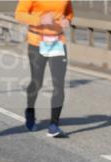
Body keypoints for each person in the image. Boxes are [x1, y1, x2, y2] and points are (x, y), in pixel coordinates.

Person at [15, 1, 74, 138]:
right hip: (37, 41)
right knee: (37, 82)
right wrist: (40, 20)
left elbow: (69, 13)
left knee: (59, 84)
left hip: (58, 42)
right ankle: (30, 112)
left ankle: (54, 125)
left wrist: (67, 20)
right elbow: (19, 14)